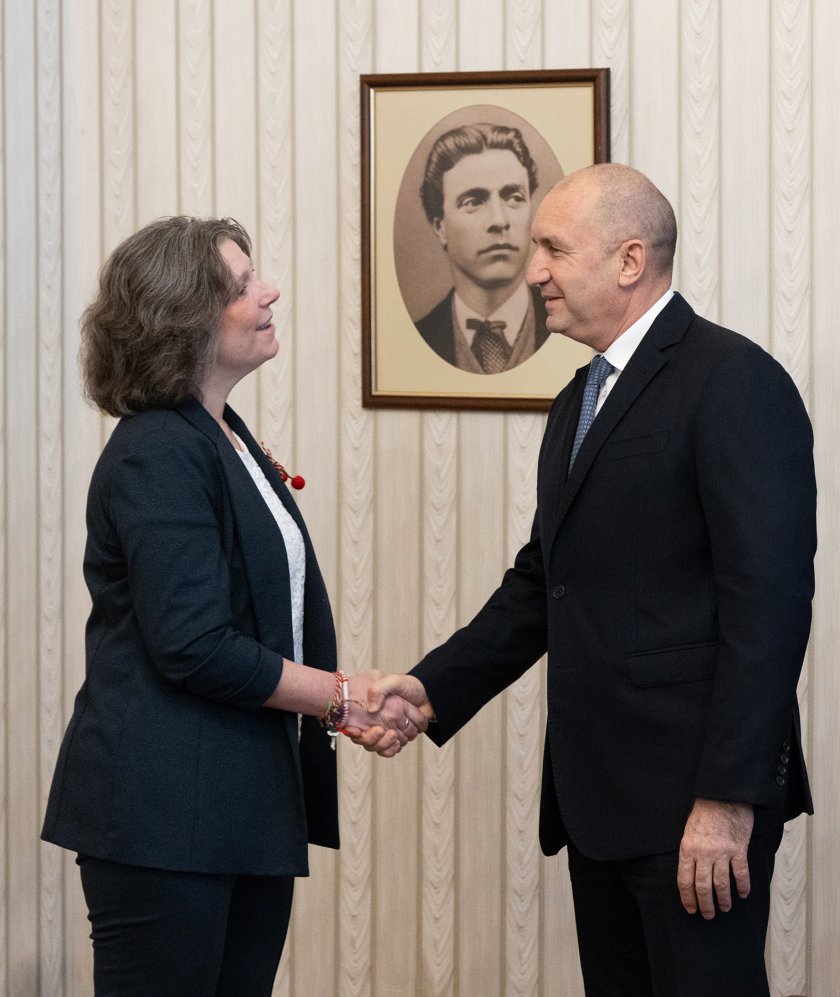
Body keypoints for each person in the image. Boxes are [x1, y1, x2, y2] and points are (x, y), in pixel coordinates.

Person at [359, 164, 817, 996]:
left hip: (694, 804)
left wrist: (727, 797)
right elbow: (546, 582)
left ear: (629, 260)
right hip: (601, 802)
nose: (533, 270)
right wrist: (428, 688)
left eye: (553, 248)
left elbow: (770, 606)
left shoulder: (733, 380)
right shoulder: (580, 397)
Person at [41, 216, 428, 997]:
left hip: (239, 809)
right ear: (182, 316)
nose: (269, 291)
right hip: (165, 818)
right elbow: (193, 643)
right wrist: (342, 696)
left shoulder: (224, 437)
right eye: (243, 284)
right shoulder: (158, 448)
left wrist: (341, 698)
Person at [414, 122, 551, 373]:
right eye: (474, 201)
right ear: (440, 226)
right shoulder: (419, 338)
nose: (499, 220)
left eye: (514, 198)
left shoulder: (569, 330)